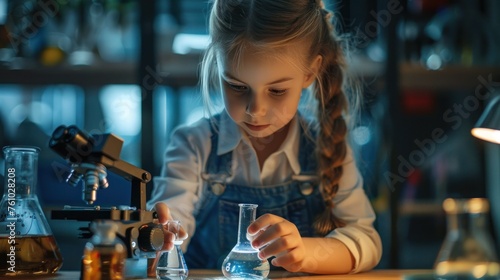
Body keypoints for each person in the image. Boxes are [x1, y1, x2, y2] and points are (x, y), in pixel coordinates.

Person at [147, 0, 382, 274]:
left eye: (277, 91)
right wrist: (159, 237)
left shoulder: (327, 147)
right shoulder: (194, 145)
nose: (255, 110)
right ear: (217, 66)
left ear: (310, 73)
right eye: (237, 86)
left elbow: (366, 240)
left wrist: (306, 252)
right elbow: (172, 218)